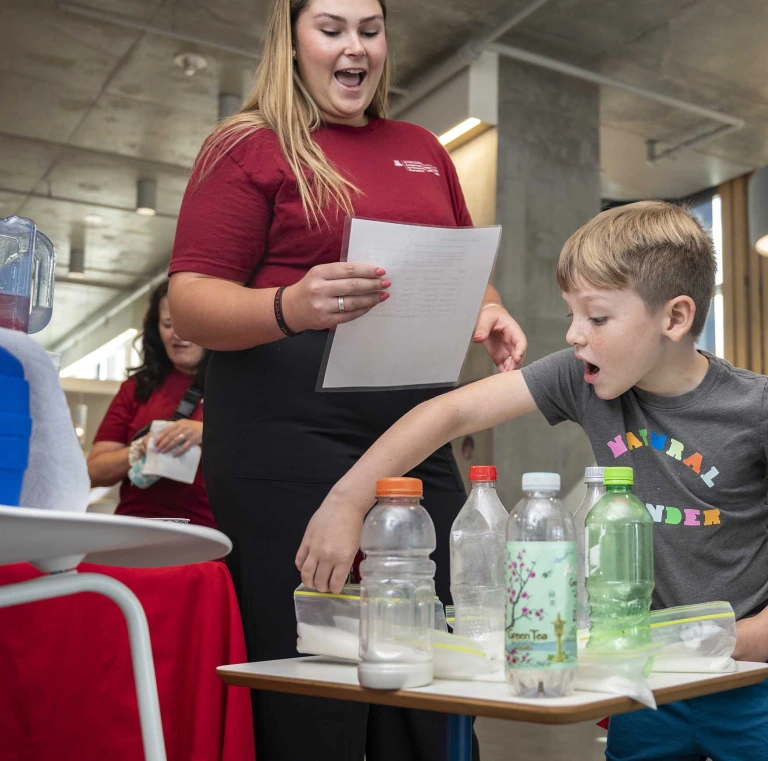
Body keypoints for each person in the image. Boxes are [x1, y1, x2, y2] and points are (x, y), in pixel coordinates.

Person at [299, 201, 768, 761]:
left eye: (595, 318)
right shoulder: (581, 379)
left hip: (752, 677)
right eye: (572, 314)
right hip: (643, 673)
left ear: (674, 318)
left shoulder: (756, 405)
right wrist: (348, 499)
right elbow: (450, 414)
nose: (574, 335)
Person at [166, 0, 527, 758]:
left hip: (410, 437)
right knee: (315, 667)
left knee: (436, 654)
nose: (354, 47)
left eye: (370, 28)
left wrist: (486, 311)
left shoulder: (423, 148)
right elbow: (192, 301)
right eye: (331, 29)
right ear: (291, 40)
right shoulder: (249, 146)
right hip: (283, 443)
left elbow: (461, 271)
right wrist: (289, 304)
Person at [88, 282, 213, 528]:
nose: (177, 334)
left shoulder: (236, 388)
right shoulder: (136, 388)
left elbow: (268, 452)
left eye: (187, 324)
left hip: (206, 536)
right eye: (168, 324)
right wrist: (138, 450)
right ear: (156, 330)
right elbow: (93, 472)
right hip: (134, 529)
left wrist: (206, 433)